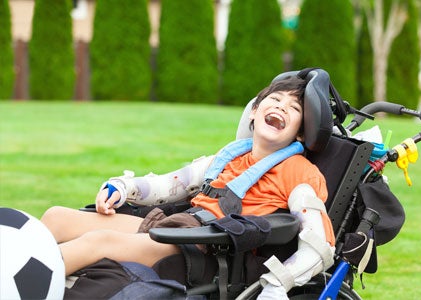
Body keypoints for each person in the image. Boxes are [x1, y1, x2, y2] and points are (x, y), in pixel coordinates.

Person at [41, 75, 335, 294]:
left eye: (293, 108)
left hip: (209, 250)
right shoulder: (229, 156)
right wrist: (122, 187)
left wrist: (279, 281)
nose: (281, 107)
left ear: (300, 133)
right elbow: (170, 184)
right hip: (180, 227)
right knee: (57, 217)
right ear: (255, 112)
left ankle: (23, 287)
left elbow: (320, 244)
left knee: (98, 242)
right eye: (275, 100)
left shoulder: (299, 171)